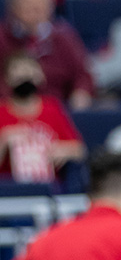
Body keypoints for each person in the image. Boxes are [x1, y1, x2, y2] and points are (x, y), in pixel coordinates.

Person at [0, 0, 94, 108]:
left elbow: (82, 75)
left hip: (55, 107)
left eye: (41, 3)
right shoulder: (2, 37)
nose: (35, 9)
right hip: (10, 108)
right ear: (14, 7)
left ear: (51, 7)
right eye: (27, 3)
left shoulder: (64, 37)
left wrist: (81, 93)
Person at [0, 53, 84, 184]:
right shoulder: (2, 112)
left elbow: (79, 150)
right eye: (19, 74)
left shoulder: (52, 108)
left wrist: (62, 150)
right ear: (7, 79)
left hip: (49, 187)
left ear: (40, 77)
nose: (25, 78)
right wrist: (3, 140)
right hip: (9, 189)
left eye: (29, 72)